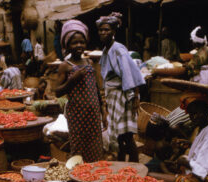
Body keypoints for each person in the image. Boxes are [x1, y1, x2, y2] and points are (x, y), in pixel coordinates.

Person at [97, 12, 145, 162]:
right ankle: (122, 166)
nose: (103, 32)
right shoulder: (106, 51)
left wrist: (135, 96)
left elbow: (130, 73)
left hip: (123, 96)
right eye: (101, 30)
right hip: (113, 97)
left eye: (107, 29)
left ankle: (135, 167)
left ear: (114, 32)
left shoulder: (118, 49)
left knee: (127, 136)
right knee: (119, 136)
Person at [55, 19, 104, 162]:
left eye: (82, 42)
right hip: (76, 114)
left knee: (95, 146)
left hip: (93, 114)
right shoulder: (65, 65)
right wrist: (72, 80)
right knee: (78, 148)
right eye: (74, 43)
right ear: (67, 45)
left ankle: (92, 177)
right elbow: (57, 92)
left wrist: (103, 112)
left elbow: (96, 88)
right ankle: (77, 179)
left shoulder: (89, 62)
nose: (79, 45)